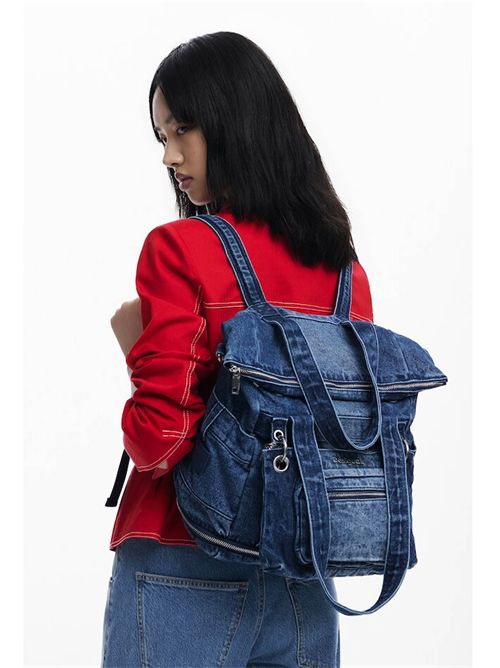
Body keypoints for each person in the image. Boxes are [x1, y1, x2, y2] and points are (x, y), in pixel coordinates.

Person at [101, 31, 374, 668]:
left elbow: (160, 439)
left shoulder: (180, 249)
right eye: (161, 136)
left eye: (182, 130)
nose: (169, 155)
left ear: (235, 122)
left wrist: (137, 347)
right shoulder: (345, 273)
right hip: (305, 579)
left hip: (181, 562)